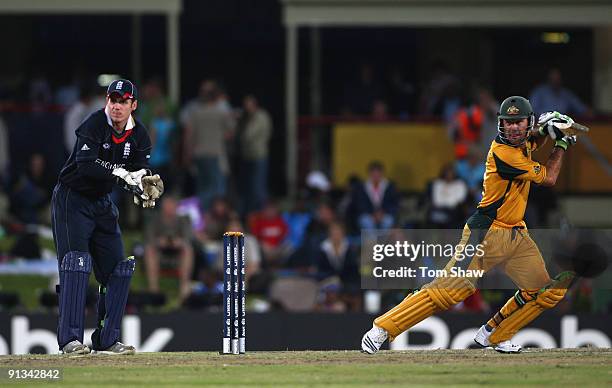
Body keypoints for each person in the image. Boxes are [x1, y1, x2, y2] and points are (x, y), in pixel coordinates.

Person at [361, 96, 578, 354]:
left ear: (527, 122)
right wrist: (562, 142)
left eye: (518, 122)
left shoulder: (523, 142)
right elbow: (550, 177)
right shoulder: (504, 153)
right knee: (449, 293)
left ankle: (493, 334)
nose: (513, 127)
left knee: (546, 292)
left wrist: (546, 128)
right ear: (501, 125)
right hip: (486, 232)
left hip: (515, 233)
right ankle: (382, 329)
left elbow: (532, 140)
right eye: (508, 123)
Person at [51, 79, 164, 355]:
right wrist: (121, 174)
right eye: (113, 100)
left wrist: (143, 187)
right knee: (76, 264)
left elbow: (138, 171)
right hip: (72, 199)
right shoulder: (93, 124)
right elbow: (86, 165)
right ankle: (70, 341)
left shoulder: (139, 136)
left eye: (123, 101)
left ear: (133, 105)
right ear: (107, 101)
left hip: (101, 204)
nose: (116, 106)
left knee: (118, 270)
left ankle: (107, 339)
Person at [144, 195, 194, 300]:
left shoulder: (183, 220)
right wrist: (159, 242)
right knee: (149, 250)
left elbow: (188, 238)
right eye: (167, 205)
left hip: (177, 255)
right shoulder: (154, 219)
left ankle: (184, 288)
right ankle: (154, 289)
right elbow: (149, 238)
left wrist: (179, 242)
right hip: (160, 254)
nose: (169, 208)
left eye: (171, 205)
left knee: (188, 249)